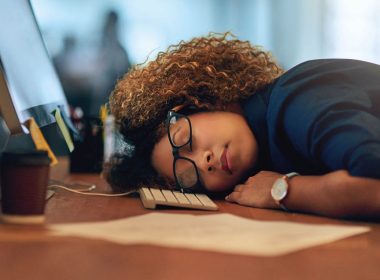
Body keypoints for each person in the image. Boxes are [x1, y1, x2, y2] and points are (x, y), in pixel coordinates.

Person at [104, 33, 380, 220]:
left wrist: (282, 191)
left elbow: (373, 186)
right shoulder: (268, 150)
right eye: (189, 175)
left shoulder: (295, 100)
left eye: (187, 139)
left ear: (200, 101)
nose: (204, 162)